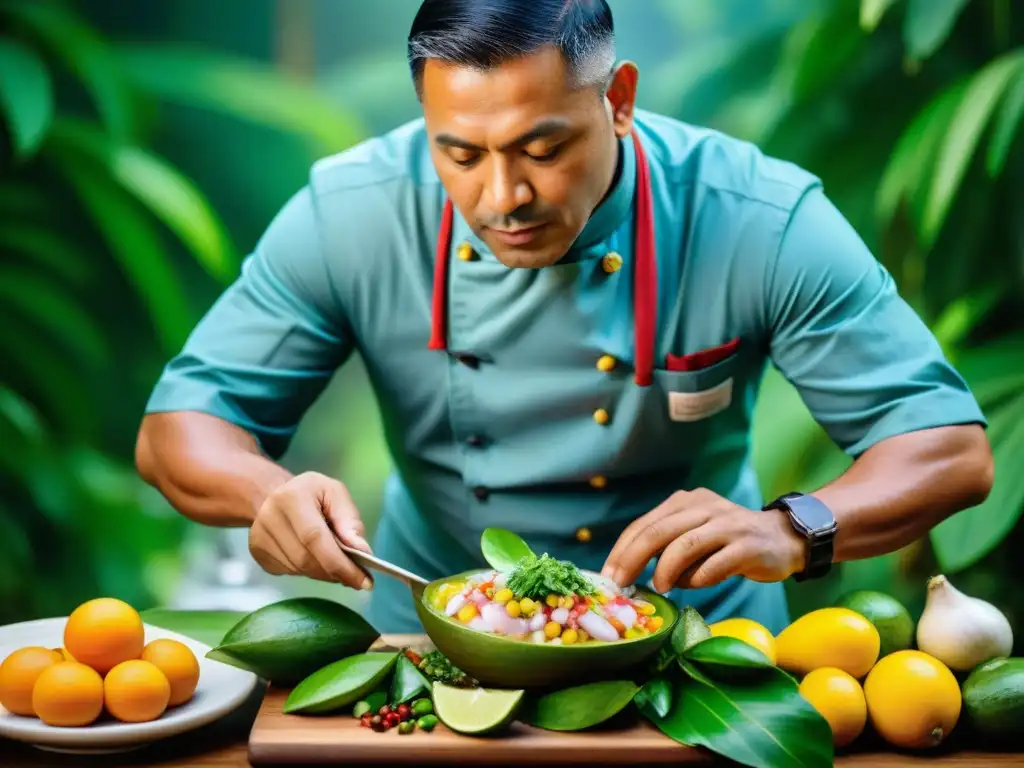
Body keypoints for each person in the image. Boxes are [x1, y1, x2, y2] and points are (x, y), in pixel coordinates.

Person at [135, 0, 993, 635]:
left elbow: (947, 449)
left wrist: (795, 529)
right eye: (460, 155)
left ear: (618, 98)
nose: (502, 197)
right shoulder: (354, 209)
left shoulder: (759, 216)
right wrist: (271, 494)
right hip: (436, 637)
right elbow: (179, 431)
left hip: (705, 642)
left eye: (542, 150)